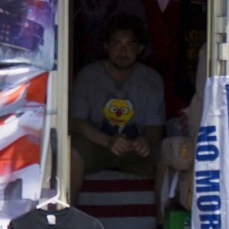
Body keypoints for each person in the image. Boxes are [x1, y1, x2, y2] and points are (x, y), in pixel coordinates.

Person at [71, 22, 168, 178]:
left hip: (135, 152)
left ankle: (165, 204)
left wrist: (146, 141)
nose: (123, 51)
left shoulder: (151, 79)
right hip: (98, 147)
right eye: (116, 44)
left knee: (167, 151)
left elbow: (155, 126)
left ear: (140, 49)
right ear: (106, 47)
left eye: (130, 45)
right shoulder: (88, 75)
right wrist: (108, 141)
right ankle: (66, 202)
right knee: (73, 149)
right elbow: (76, 121)